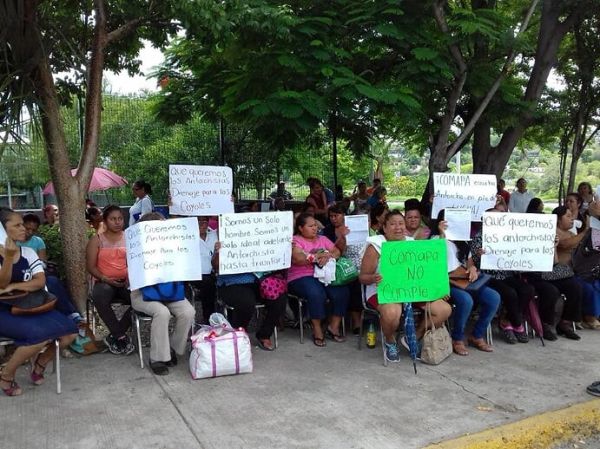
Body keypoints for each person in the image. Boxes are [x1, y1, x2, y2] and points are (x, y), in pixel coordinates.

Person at [0, 208, 77, 396]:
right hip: (4, 311)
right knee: (38, 336)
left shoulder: (27, 252)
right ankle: (6, 375)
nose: (23, 228)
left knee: (70, 332)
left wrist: (14, 286)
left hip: (32, 305)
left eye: (22, 224)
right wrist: (8, 259)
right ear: (2, 230)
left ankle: (40, 364)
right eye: (17, 225)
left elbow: (40, 281)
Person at [359, 210, 451, 362]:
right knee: (392, 313)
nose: (398, 227)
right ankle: (390, 341)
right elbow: (362, 277)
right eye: (393, 224)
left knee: (444, 309)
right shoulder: (376, 245)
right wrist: (373, 278)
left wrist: (437, 290)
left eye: (401, 223)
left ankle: (415, 336)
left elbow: (427, 271)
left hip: (412, 290)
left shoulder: (411, 244)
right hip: (383, 291)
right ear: (385, 228)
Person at [130, 212, 196, 375]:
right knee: (162, 312)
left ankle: (173, 349)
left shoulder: (173, 246)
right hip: (143, 294)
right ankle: (157, 358)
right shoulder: (136, 247)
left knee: (188, 312)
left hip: (169, 291)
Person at [431, 210, 501, 356]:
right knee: (466, 300)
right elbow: (435, 261)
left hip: (465, 280)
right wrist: (442, 233)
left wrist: (473, 269)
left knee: (494, 297)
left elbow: (469, 263)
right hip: (447, 282)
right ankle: (457, 338)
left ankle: (477, 335)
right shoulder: (435, 239)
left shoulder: (463, 241)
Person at [288, 213, 349, 347]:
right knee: (316, 293)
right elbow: (298, 258)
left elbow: (337, 252)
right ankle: (317, 329)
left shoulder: (323, 239)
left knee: (341, 291)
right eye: (310, 226)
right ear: (300, 228)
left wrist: (327, 256)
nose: (315, 228)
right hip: (301, 275)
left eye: (315, 225)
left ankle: (334, 326)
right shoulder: (295, 240)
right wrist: (318, 256)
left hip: (324, 274)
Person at [212, 247, 286, 352]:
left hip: (260, 280)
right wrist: (219, 251)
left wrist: (283, 247)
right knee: (246, 301)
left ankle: (264, 334)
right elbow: (215, 265)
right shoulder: (227, 239)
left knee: (279, 298)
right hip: (232, 283)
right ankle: (239, 335)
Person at [86, 205, 134, 355]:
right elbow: (91, 267)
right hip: (104, 281)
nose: (117, 222)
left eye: (120, 218)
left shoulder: (131, 238)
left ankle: (114, 335)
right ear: (105, 221)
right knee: (99, 296)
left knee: (142, 301)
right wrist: (105, 278)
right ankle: (120, 336)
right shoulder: (96, 240)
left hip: (126, 281)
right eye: (113, 219)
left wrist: (130, 278)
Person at [190, 216, 218, 324]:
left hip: (215, 272)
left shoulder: (214, 234)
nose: (202, 224)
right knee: (208, 284)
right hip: (196, 274)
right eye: (199, 221)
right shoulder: (188, 237)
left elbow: (225, 223)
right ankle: (209, 318)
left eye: (205, 221)